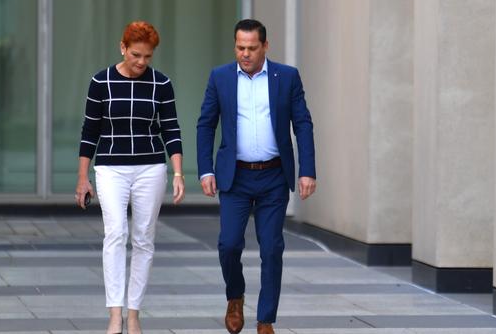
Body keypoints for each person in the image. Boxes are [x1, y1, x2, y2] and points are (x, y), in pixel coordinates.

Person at [196, 19, 316, 334]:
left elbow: (302, 123)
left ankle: (265, 320)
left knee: (272, 247)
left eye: (251, 48)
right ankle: (235, 297)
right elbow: (205, 124)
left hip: (274, 176)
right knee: (229, 244)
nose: (245, 54)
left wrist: (307, 171)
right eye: (240, 47)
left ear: (265, 46)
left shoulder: (286, 77)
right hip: (235, 178)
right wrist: (206, 168)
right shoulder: (220, 77)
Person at [75, 21, 185, 334]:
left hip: (151, 168)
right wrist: (83, 178)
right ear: (122, 47)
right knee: (115, 234)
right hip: (110, 168)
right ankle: (114, 315)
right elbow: (89, 132)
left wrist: (177, 172)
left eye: (148, 57)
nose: (141, 62)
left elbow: (171, 131)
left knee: (143, 239)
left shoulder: (161, 84)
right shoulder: (102, 81)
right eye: (136, 54)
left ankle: (134, 314)